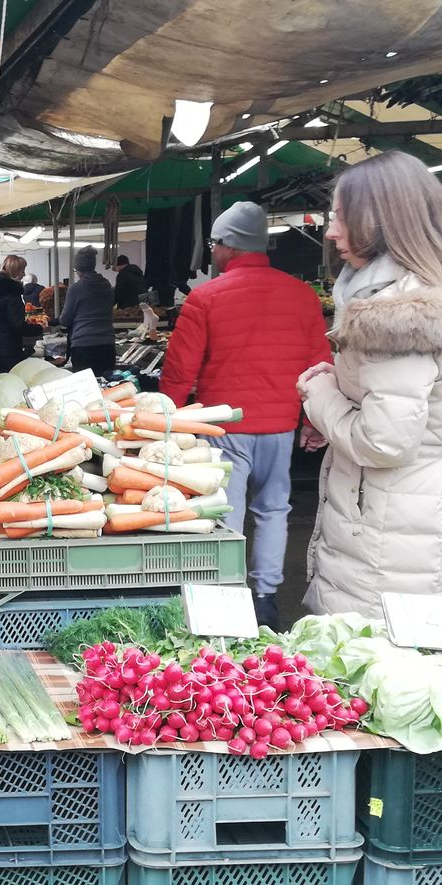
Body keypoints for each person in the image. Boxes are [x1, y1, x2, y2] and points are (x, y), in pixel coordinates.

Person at [299, 151, 442, 619]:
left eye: (340, 215)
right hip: (434, 503)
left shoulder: (394, 317)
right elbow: (411, 398)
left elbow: (382, 442)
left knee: (370, 665)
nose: (331, 230)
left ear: (379, 219)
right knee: (422, 654)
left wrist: (320, 396)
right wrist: (344, 397)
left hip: (393, 522)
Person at [161, 201, 330, 631]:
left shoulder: (205, 298)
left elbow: (181, 368)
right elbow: (320, 364)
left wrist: (168, 421)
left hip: (223, 426)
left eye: (216, 245)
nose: (213, 252)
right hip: (280, 424)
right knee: (274, 509)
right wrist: (313, 420)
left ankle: (226, 598)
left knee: (225, 512)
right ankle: (266, 599)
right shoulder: (302, 295)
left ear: (229, 247)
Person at [60, 247, 116, 374]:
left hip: (83, 345)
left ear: (78, 269)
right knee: (107, 387)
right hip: (107, 344)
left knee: (86, 389)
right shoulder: (107, 287)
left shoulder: (76, 288)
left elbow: (65, 320)